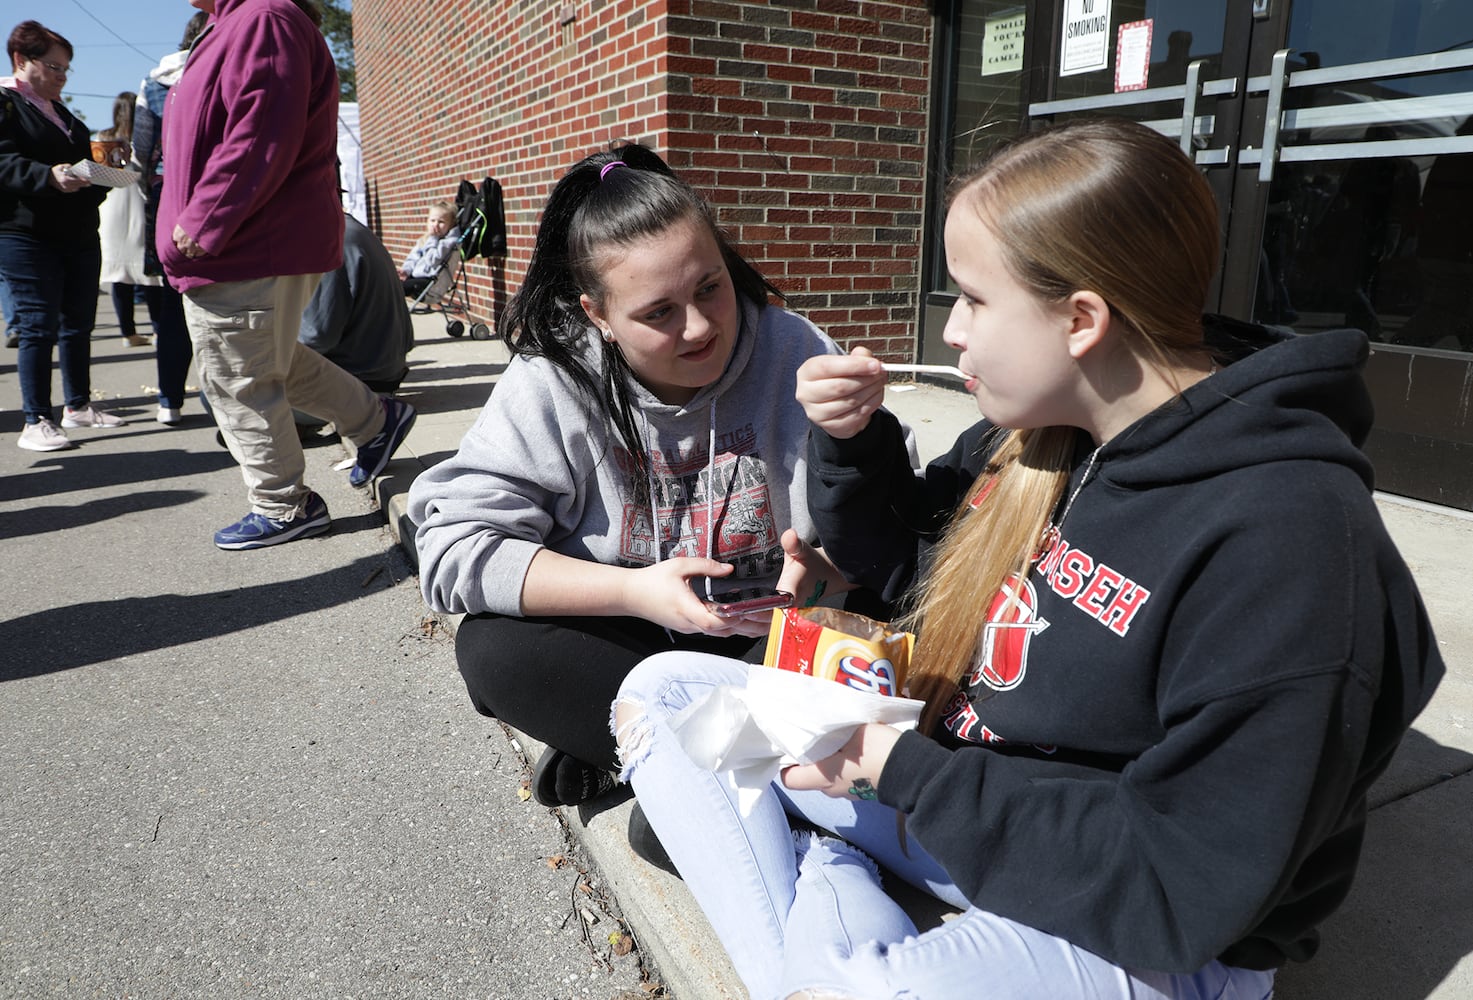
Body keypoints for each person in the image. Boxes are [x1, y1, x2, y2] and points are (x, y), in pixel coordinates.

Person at [612, 117, 1446, 1000]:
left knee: (843, 976)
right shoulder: (1038, 438)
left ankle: (817, 889)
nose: (951, 333)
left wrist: (892, 770)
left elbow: (1183, 876)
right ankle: (822, 912)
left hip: (1154, 920)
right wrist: (850, 443)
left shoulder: (1289, 541)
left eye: (972, 299)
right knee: (660, 695)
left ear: (1080, 318)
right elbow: (906, 571)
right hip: (972, 806)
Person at [407, 144, 857, 808]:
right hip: (633, 646)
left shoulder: (793, 347)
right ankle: (739, 775)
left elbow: (890, 525)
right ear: (597, 315)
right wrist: (634, 592)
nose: (700, 327)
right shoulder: (554, 379)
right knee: (495, 652)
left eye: (710, 287)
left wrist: (833, 563)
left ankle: (675, 778)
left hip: (776, 647)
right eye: (658, 313)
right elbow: (450, 553)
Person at [159, 0, 416, 549]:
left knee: (237, 376)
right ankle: (375, 421)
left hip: (243, 242)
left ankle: (283, 506)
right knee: (268, 360)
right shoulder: (233, 24)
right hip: (242, 240)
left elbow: (259, 132)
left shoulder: (262, 19)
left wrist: (205, 220)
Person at [0, 20, 124, 453]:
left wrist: (111, 173)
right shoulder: (6, 103)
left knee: (78, 323)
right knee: (37, 326)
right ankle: (36, 419)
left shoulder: (64, 113)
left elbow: (82, 168)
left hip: (76, 232)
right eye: (53, 67)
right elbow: (4, 163)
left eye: (66, 69)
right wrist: (46, 177)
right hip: (25, 233)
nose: (62, 76)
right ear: (21, 60)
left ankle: (78, 405)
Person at [132, 12, 207, 426]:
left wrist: (154, 197)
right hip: (218, 196)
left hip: (170, 196)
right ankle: (222, 398)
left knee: (173, 305)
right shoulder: (222, 67)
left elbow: (142, 151)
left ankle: (169, 400)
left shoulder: (155, 80)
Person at [299, 214, 414, 395]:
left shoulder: (326, 240)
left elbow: (315, 337)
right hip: (383, 371)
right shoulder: (352, 229)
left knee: (248, 387)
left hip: (359, 383)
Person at [95, 91, 156, 349]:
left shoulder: (104, 138)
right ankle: (158, 328)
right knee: (149, 271)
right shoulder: (145, 140)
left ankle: (128, 332)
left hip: (111, 209)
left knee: (120, 273)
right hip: (139, 205)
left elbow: (98, 174)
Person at [397, 200, 459, 300]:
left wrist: (433, 239)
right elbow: (413, 258)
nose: (435, 225)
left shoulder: (448, 243)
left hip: (430, 283)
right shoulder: (425, 239)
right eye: (432, 221)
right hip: (415, 277)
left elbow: (432, 261)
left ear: (451, 225)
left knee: (395, 288)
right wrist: (406, 271)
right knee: (388, 282)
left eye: (441, 222)